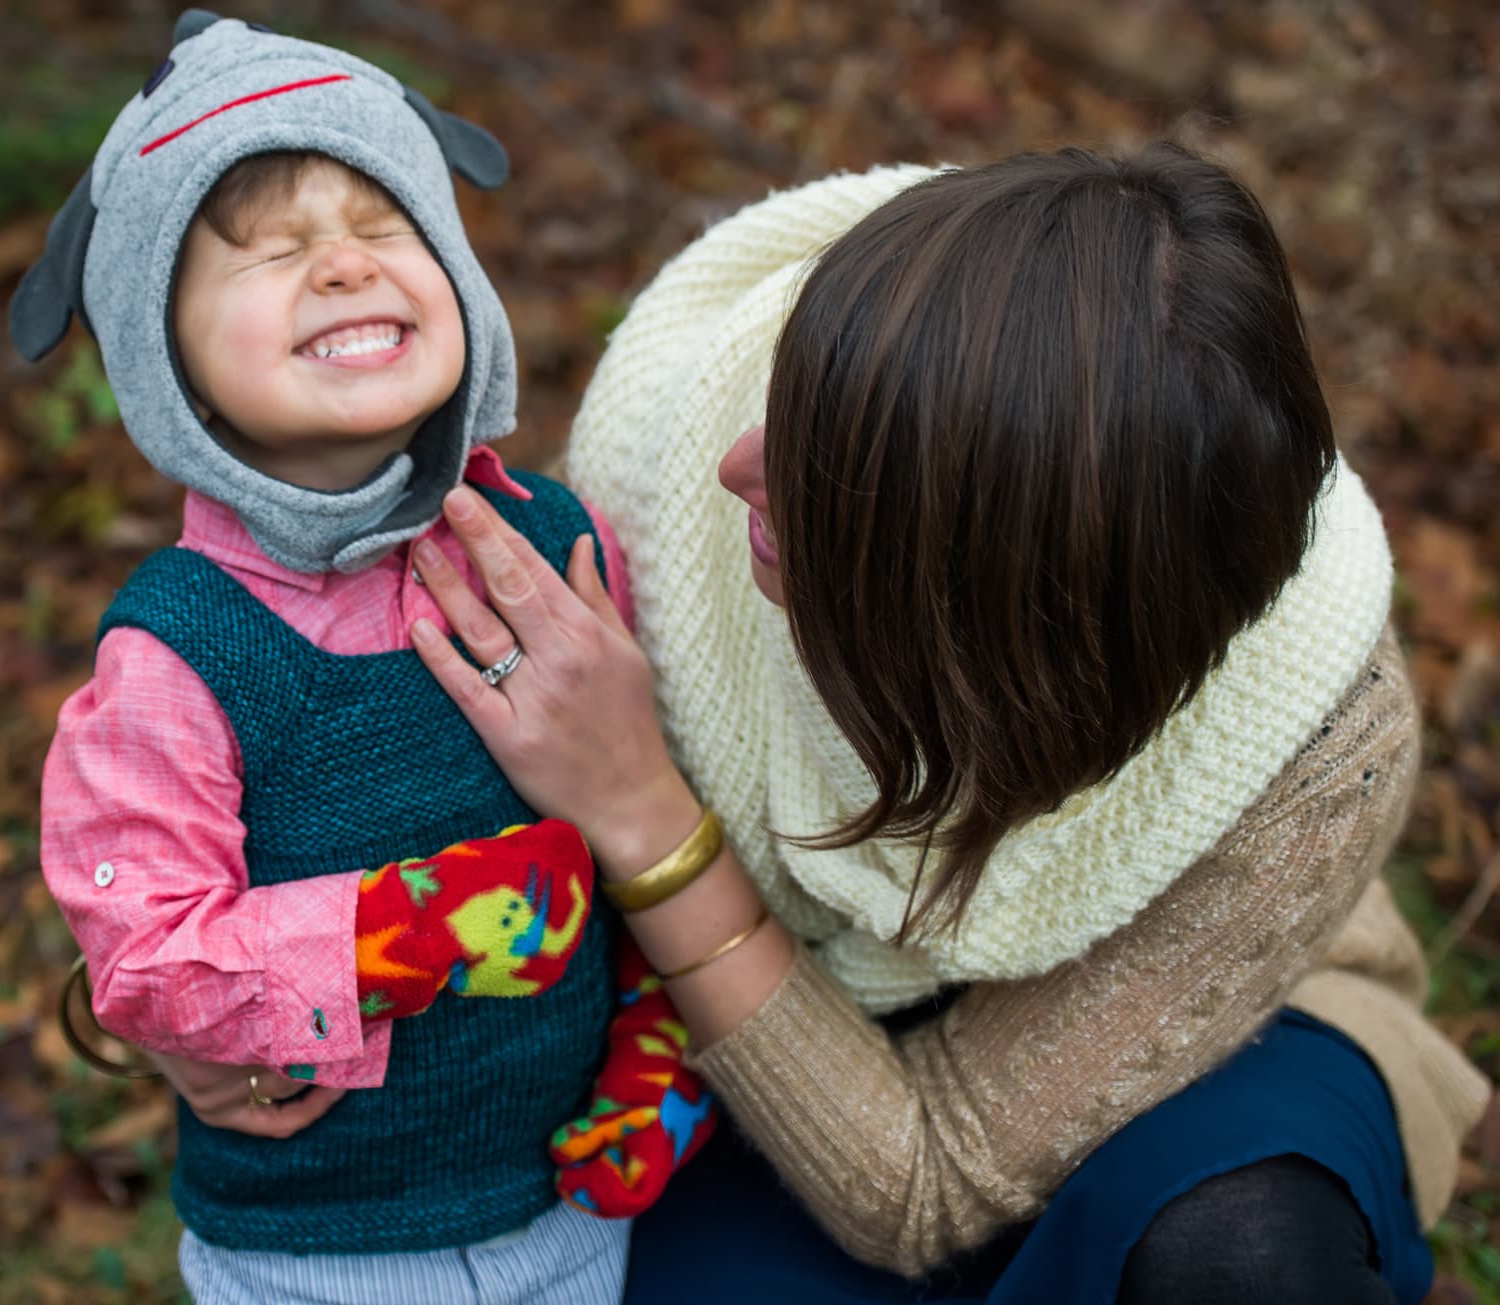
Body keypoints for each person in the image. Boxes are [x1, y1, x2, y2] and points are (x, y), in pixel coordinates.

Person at [378, 144, 1490, 1303]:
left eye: (824, 475)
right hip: (734, 1032)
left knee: (1240, 1262)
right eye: (789, 397)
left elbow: (924, 1178)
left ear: (979, 612)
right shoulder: (702, 405)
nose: (735, 465)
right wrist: (266, 1007)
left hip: (1189, 1032)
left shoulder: (1316, 736)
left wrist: (641, 811)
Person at [12, 12, 711, 1305]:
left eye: (386, 227)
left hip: (572, 1206)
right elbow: (147, 957)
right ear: (169, 361)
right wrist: (413, 930)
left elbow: (648, 804)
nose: (342, 266)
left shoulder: (556, 542)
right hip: (318, 1253)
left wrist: (653, 1049)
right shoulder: (183, 655)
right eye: (270, 253)